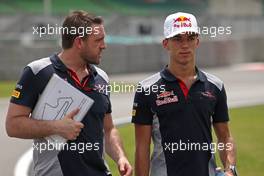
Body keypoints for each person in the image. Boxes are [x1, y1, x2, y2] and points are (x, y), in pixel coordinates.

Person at [6, 10, 132, 176]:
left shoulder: (102, 78)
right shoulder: (38, 72)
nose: (104, 45)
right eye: (98, 40)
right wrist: (56, 127)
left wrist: (120, 157)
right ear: (79, 42)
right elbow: (12, 126)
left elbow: (108, 129)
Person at [132, 12, 238, 176]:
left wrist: (230, 170)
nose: (185, 45)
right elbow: (142, 147)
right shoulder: (146, 89)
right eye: (178, 39)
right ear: (166, 43)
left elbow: (225, 137)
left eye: (190, 38)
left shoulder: (215, 86)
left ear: (197, 42)